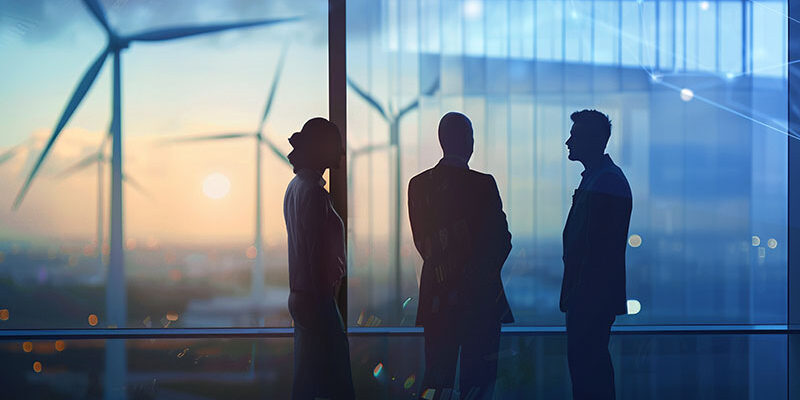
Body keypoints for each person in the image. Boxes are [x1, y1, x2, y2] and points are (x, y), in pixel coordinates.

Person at [408, 112, 513, 400]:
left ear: (442, 141)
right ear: (468, 141)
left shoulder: (418, 185)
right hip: (480, 301)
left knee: (436, 379)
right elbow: (502, 240)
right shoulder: (483, 184)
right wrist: (476, 275)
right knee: (478, 382)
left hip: (437, 299)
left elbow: (424, 244)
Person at [561, 110, 632, 400]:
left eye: (575, 136)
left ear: (592, 140)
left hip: (589, 297)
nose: (568, 142)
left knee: (589, 373)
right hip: (589, 297)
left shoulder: (605, 183)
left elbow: (594, 248)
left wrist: (581, 292)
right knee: (590, 370)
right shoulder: (603, 180)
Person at [283, 117, 354, 400]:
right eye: (335, 144)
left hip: (302, 298)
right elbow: (315, 254)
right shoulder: (314, 193)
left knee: (306, 381)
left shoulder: (295, 187)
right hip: (317, 301)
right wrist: (327, 295)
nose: (341, 151)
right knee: (338, 382)